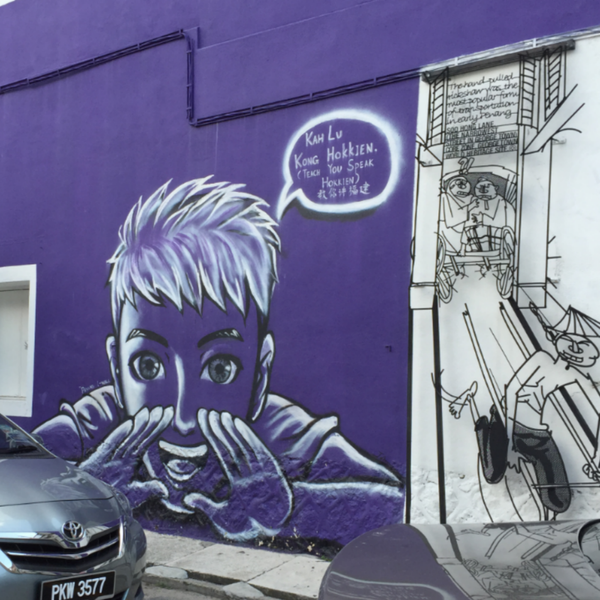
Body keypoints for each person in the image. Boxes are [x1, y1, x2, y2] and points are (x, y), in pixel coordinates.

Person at [34, 177, 403, 544]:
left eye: (220, 369)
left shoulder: (278, 431)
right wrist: (85, 493)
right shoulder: (105, 421)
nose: (183, 419)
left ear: (260, 376)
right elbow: (15, 470)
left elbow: (392, 503)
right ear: (117, 370)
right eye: (148, 367)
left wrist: (290, 510)